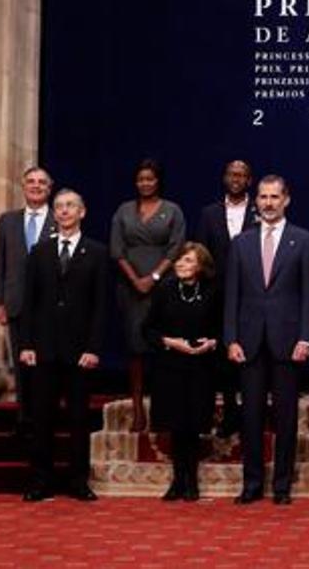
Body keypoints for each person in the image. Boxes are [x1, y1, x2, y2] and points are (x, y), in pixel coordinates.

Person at [224, 174, 309, 505]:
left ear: (286, 199)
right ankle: (251, 485)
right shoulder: (241, 242)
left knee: (286, 418)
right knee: (249, 416)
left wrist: (307, 337)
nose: (268, 202)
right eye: (263, 197)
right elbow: (231, 295)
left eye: (274, 197)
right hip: (248, 342)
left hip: (288, 342)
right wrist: (231, 338)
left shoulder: (304, 241)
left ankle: (281, 486)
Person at [19, 189, 108, 502]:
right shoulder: (40, 252)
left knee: (78, 420)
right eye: (59, 207)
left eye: (70, 206)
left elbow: (101, 306)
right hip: (43, 349)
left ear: (82, 212)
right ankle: (40, 481)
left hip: (80, 352)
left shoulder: (97, 252)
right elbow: (28, 303)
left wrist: (94, 347)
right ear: (54, 213)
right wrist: (27, 343)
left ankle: (78, 481)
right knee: (41, 419)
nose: (65, 211)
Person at [110, 159, 186, 432]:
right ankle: (138, 410)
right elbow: (116, 250)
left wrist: (153, 277)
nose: (145, 183)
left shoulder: (172, 210)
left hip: (164, 285)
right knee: (135, 349)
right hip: (131, 289)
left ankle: (163, 410)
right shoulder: (123, 211)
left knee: (162, 347)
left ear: (158, 181)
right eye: (141, 179)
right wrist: (136, 281)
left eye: (150, 179)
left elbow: (176, 248)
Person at [145, 242, 222, 502]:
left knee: (193, 425)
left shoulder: (213, 291)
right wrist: (170, 342)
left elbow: (223, 328)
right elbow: (148, 330)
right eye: (179, 260)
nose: (181, 264)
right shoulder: (164, 290)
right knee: (177, 426)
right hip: (170, 368)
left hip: (201, 368)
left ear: (200, 266)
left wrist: (212, 343)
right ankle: (178, 481)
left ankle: (192, 482)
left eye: (188, 261)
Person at [193, 160, 259, 437]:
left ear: (249, 180)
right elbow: (200, 254)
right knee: (220, 357)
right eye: (232, 173)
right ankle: (222, 412)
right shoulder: (209, 214)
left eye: (242, 175)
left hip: (252, 296)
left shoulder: (260, 213)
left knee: (247, 354)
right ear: (225, 177)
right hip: (216, 296)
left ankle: (245, 414)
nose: (237, 178)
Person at [0, 166, 57, 435]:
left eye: (42, 182)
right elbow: (0, 262)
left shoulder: (59, 219)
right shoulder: (7, 221)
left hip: (49, 306)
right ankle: (24, 417)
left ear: (49, 188)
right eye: (31, 181)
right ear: (23, 186)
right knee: (21, 365)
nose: (36, 186)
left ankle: (44, 418)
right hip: (16, 302)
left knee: (45, 364)